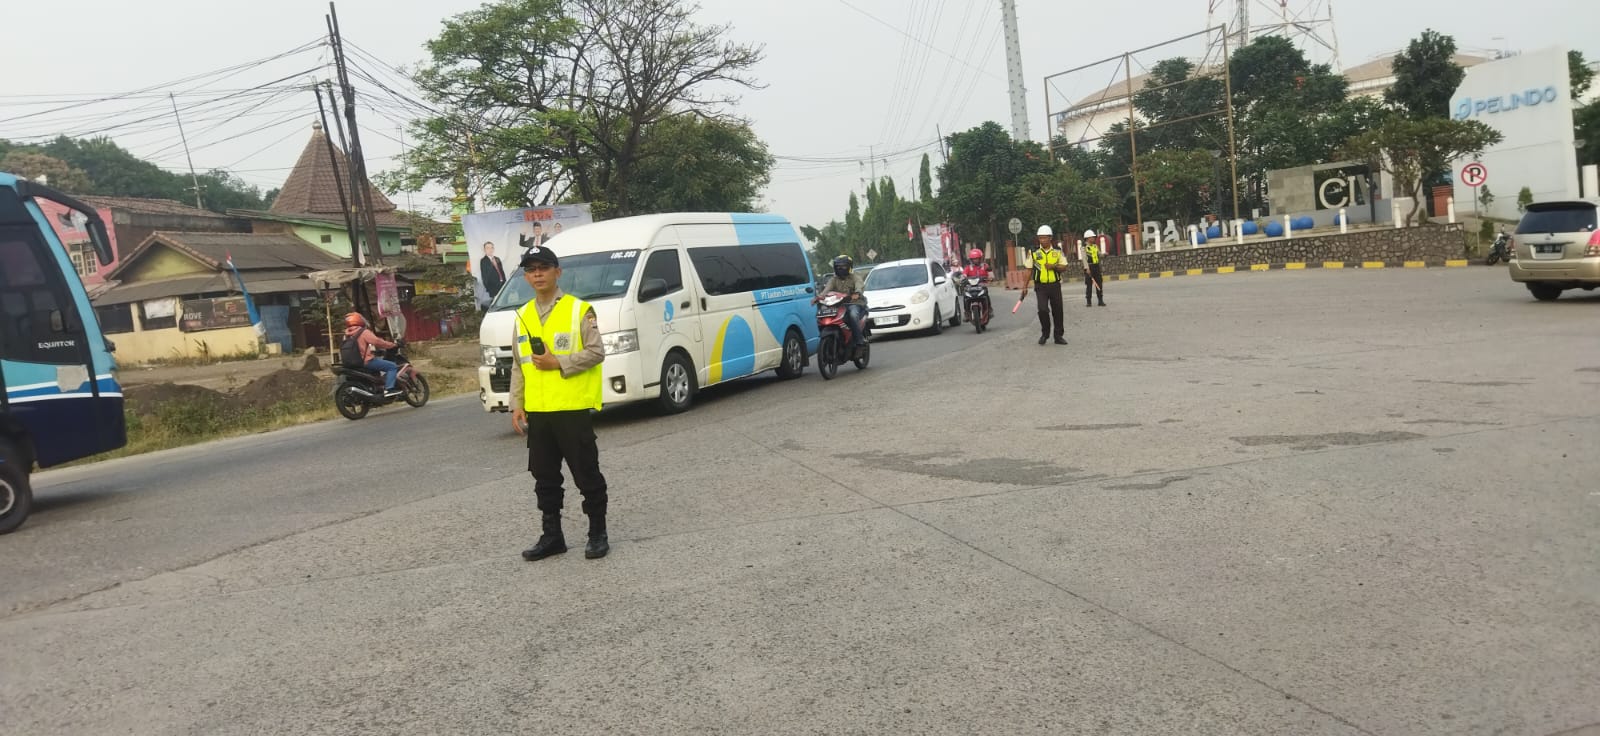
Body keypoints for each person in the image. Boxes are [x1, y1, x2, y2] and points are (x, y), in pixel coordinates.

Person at [509, 245, 610, 561]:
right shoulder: (522, 315)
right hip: (539, 413)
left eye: (543, 268)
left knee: (586, 474)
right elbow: (519, 364)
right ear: (526, 277)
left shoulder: (580, 310)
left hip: (571, 408)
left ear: (557, 272)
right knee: (544, 478)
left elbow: (596, 352)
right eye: (531, 270)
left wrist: (559, 363)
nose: (537, 274)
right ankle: (552, 537)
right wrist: (516, 403)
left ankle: (597, 533)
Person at [1021, 225, 1068, 345]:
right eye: (1040, 238)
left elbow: (1064, 267)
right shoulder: (1033, 252)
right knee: (1042, 310)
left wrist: (1054, 266)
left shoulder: (1057, 251)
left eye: (1045, 238)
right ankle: (1045, 333)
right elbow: (1028, 270)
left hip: (1055, 285)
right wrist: (1024, 287)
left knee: (1058, 311)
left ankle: (1058, 336)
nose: (1042, 240)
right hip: (1040, 287)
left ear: (1050, 238)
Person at [342, 312, 402, 398]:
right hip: (366, 362)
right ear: (359, 320)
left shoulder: (346, 334)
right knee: (392, 366)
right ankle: (389, 389)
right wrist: (393, 345)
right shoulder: (363, 332)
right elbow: (377, 342)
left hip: (352, 364)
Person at [819, 254, 868, 349]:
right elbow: (826, 289)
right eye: (838, 267)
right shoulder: (833, 279)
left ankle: (859, 340)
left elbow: (859, 285)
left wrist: (857, 293)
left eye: (844, 266)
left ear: (849, 267)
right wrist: (820, 297)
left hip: (854, 303)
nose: (841, 269)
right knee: (822, 314)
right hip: (838, 305)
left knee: (853, 315)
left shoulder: (855, 276)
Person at [958, 247, 992, 318]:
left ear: (980, 258)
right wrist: (962, 279)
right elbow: (964, 275)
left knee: (986, 295)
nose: (975, 260)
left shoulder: (985, 266)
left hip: (981, 286)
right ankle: (967, 312)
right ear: (971, 260)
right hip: (970, 287)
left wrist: (990, 277)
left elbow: (991, 275)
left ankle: (989, 309)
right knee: (966, 297)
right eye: (973, 259)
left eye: (977, 258)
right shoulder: (968, 268)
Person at [1080, 229, 1106, 307]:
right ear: (1088, 238)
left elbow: (1099, 254)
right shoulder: (1084, 248)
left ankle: (1100, 300)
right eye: (1092, 237)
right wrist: (1087, 268)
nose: (1094, 238)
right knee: (1089, 285)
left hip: (1096, 267)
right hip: (1089, 267)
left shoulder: (1095, 246)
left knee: (1099, 284)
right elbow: (1084, 259)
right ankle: (1089, 301)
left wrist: (1104, 254)